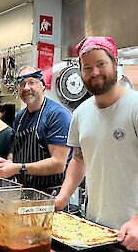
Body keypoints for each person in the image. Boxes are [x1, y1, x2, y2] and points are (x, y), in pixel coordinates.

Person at [54, 36, 138, 251]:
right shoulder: (81, 113)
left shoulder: (134, 106)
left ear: (115, 64)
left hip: (132, 231)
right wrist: (62, 198)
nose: (95, 73)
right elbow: (79, 160)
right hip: (94, 227)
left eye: (101, 64)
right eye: (87, 67)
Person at [0, 66, 72, 194]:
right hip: (23, 191)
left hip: (51, 195)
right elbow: (14, 149)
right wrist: (7, 163)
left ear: (43, 85)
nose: (26, 88)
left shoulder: (57, 115)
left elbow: (58, 164)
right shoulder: (20, 117)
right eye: (22, 84)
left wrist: (18, 168)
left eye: (32, 82)